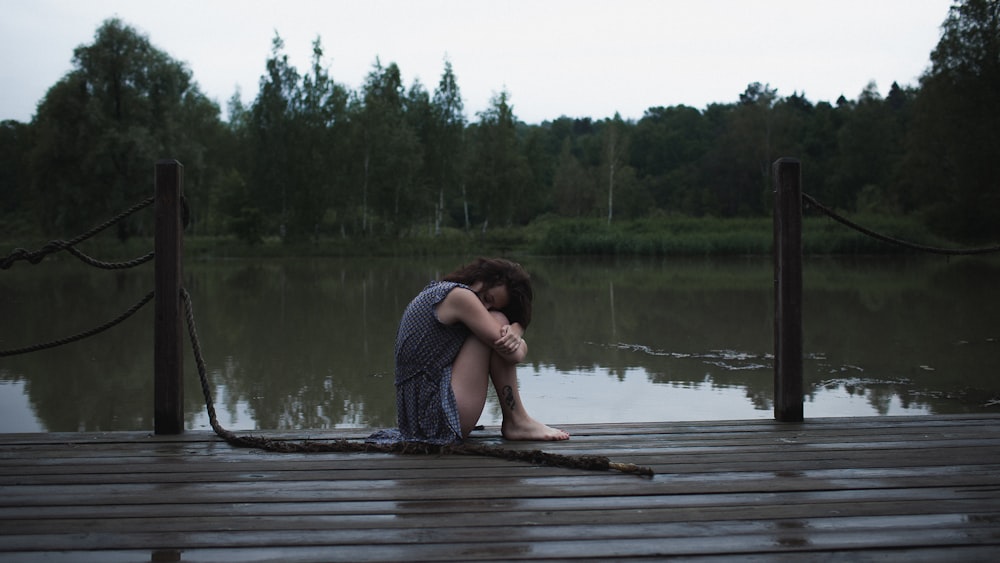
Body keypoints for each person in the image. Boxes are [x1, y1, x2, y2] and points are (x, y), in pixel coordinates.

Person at [368, 258, 569, 445]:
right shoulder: (461, 297)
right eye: (487, 297)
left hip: (418, 419)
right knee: (498, 321)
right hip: (437, 419)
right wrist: (515, 330)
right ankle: (517, 421)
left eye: (491, 304)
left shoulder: (441, 291)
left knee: (497, 325)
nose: (485, 306)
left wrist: (516, 329)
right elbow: (515, 354)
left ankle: (517, 421)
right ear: (484, 279)